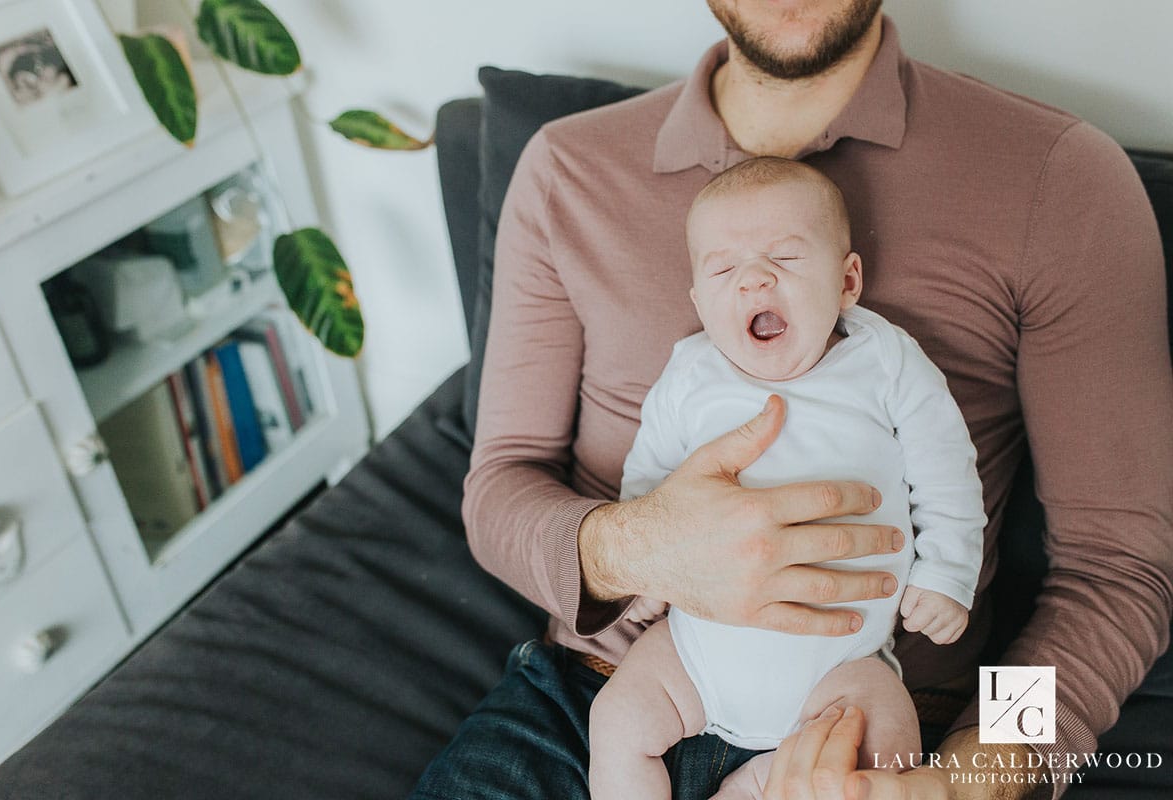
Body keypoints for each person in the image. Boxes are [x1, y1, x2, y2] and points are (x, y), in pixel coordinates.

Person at [412, 2, 1173, 798]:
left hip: (876, 724)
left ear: (847, 278)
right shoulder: (567, 168)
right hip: (603, 698)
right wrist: (631, 548)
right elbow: (499, 485)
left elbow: (1115, 574)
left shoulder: (1056, 176)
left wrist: (973, 776)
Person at [588, 157, 986, 799]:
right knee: (616, 717)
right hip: (692, 657)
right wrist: (641, 567)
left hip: (843, 665)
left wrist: (948, 573)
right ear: (698, 300)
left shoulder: (882, 362)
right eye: (723, 268)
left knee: (883, 755)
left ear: (848, 280)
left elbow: (947, 468)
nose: (754, 280)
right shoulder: (691, 374)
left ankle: (754, 785)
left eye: (788, 259)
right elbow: (649, 477)